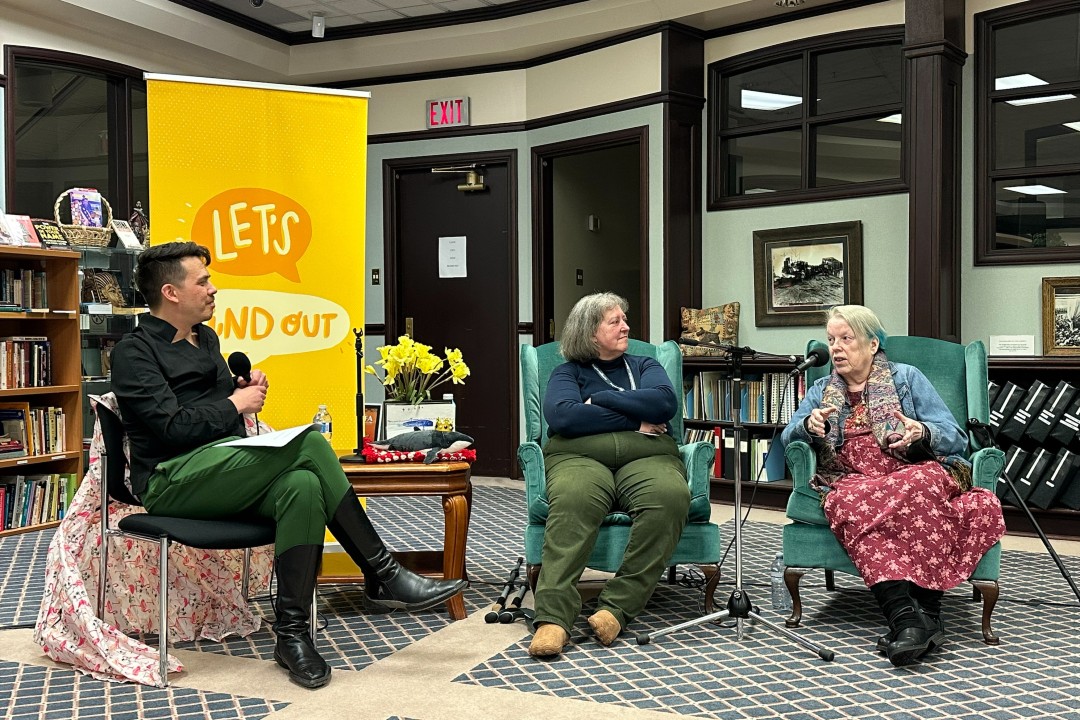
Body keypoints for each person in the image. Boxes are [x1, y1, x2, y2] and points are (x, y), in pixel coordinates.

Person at [110, 241, 466, 689]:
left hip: (224, 468)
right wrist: (235, 404)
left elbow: (210, 405)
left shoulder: (208, 340)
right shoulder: (134, 352)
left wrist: (241, 386)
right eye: (203, 281)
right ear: (171, 293)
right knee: (312, 446)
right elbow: (171, 428)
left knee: (302, 485)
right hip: (171, 480)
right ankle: (383, 572)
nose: (213, 289)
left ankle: (292, 636)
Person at [781, 305, 1006, 667]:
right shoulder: (822, 388)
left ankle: (920, 617)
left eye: (846, 339)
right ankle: (910, 620)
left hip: (907, 469)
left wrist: (922, 431)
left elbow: (955, 437)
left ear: (872, 344)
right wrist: (807, 424)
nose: (836, 348)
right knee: (848, 501)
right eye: (831, 340)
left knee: (924, 482)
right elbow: (787, 436)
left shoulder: (907, 377)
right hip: (852, 477)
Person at [528, 292, 691, 658]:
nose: (625, 327)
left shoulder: (646, 366)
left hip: (649, 459)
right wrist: (636, 417)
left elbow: (665, 404)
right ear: (589, 333)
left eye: (624, 319)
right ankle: (553, 618)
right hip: (578, 458)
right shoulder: (566, 372)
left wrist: (599, 400)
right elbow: (565, 417)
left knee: (670, 496)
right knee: (573, 498)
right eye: (614, 321)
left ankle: (616, 608)